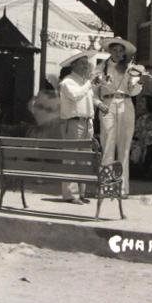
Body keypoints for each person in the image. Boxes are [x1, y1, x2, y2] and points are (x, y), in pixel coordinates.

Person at [95, 37, 142, 197]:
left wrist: (138, 81)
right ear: (109, 51)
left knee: (124, 147)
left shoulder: (129, 69)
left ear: (124, 53)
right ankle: (106, 186)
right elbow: (93, 92)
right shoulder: (100, 68)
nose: (117, 53)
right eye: (114, 49)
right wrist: (98, 103)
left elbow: (134, 91)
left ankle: (122, 188)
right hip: (107, 104)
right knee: (108, 144)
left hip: (126, 104)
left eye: (120, 51)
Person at [58, 50, 98, 204]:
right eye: (82, 63)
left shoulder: (83, 82)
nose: (86, 67)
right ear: (73, 65)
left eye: (86, 64)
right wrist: (90, 83)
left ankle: (81, 192)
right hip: (73, 122)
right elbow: (75, 96)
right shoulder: (67, 82)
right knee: (71, 158)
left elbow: (88, 101)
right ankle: (70, 194)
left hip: (87, 122)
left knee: (85, 159)